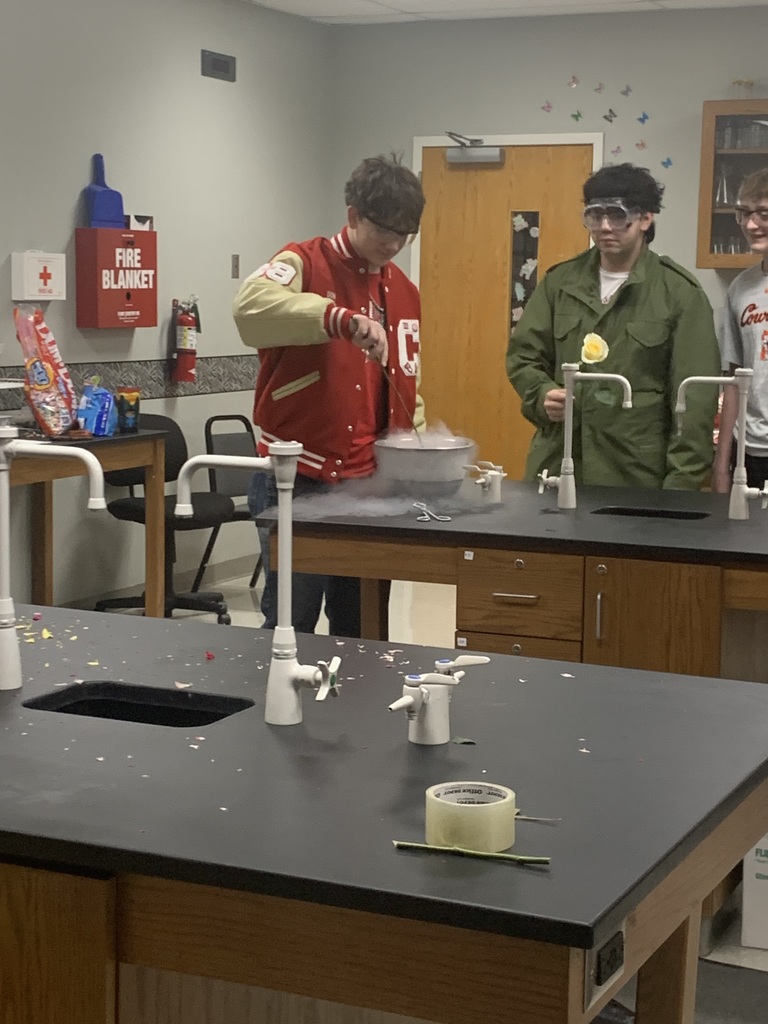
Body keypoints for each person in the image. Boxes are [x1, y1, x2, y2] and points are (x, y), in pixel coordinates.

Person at [233, 154, 426, 637]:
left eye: (406, 235)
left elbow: (406, 382)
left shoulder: (403, 290)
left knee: (363, 625)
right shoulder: (303, 261)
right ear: (353, 216)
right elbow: (249, 309)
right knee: (291, 625)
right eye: (385, 231)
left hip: (370, 486)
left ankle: (358, 711)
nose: (395, 245)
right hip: (299, 480)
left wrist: (419, 457)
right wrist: (337, 318)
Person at [506, 163, 721, 490]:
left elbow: (695, 401)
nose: (605, 227)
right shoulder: (560, 283)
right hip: (558, 465)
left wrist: (680, 490)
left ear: (645, 219)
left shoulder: (679, 294)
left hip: (636, 475)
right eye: (595, 215)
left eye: (617, 215)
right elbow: (523, 356)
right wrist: (541, 394)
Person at [712, 167, 768, 493]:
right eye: (744, 213)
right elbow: (733, 379)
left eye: (763, 213)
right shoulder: (740, 289)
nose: (750, 224)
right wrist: (722, 466)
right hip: (749, 451)